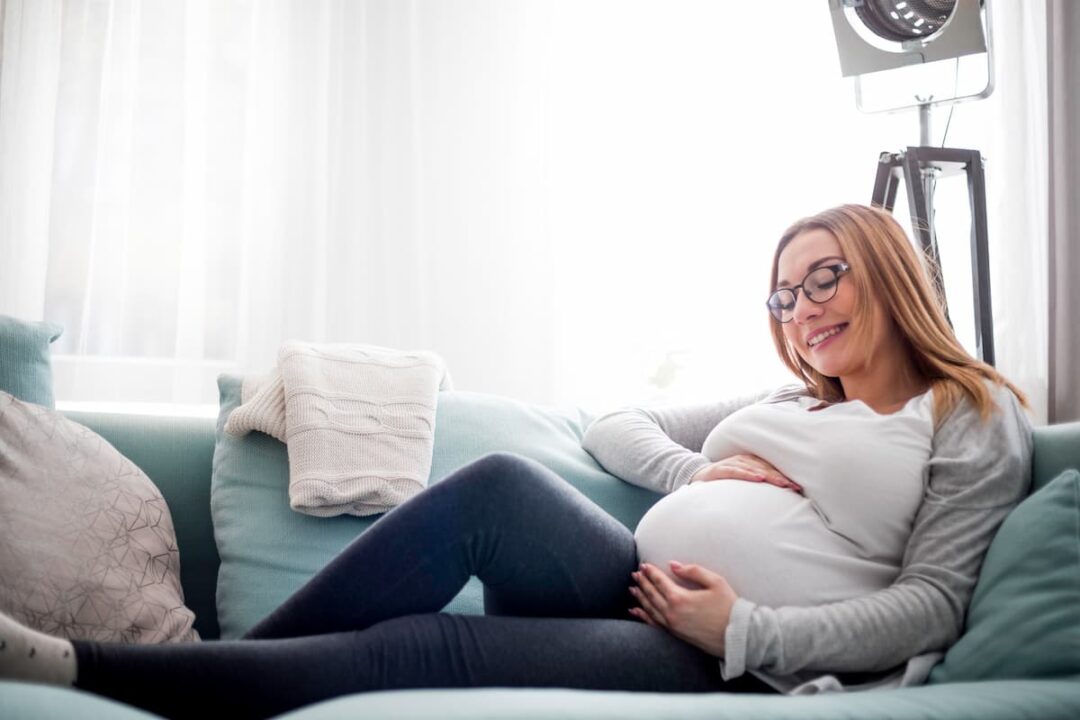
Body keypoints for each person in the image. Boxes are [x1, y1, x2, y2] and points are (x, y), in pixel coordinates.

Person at [0, 204, 1031, 718]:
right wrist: (694, 478)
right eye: (784, 294)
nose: (803, 311)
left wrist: (744, 627)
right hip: (638, 580)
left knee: (423, 649)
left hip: (736, 660)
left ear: (890, 271)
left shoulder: (969, 412)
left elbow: (934, 603)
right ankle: (214, 677)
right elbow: (614, 420)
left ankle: (97, 677)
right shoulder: (786, 400)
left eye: (825, 280)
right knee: (497, 490)